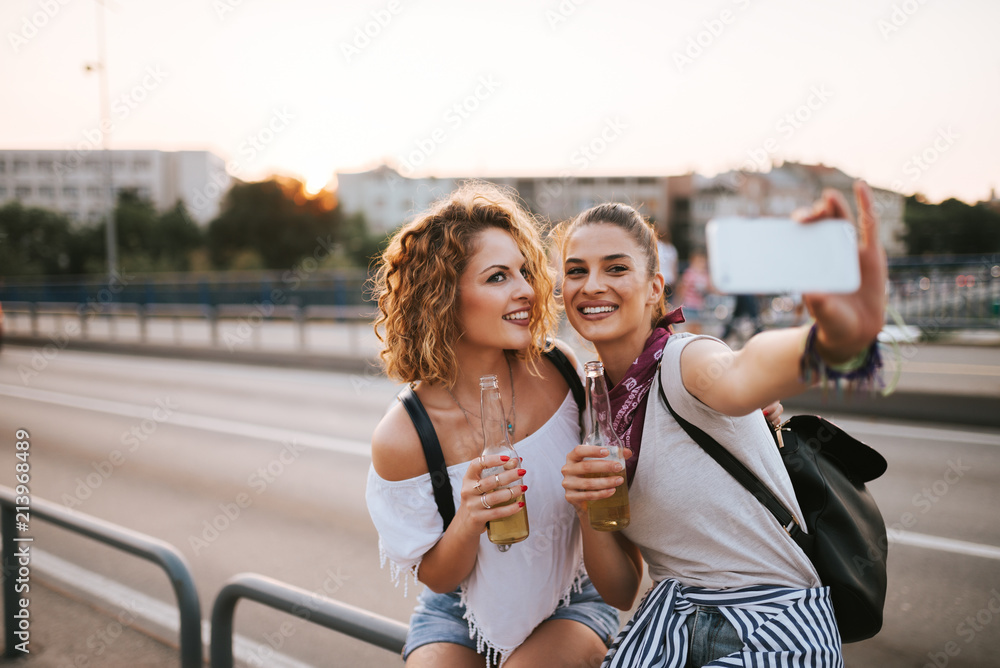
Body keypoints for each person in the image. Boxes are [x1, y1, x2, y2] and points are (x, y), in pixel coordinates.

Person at [554, 182, 887, 666]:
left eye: (616, 268)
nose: (592, 285)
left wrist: (829, 342)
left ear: (654, 290)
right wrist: (586, 505)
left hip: (771, 622)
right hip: (669, 624)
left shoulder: (686, 360)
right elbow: (622, 589)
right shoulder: (596, 409)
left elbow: (744, 371)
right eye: (576, 271)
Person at [365, 182, 620, 668]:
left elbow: (646, 399)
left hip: (575, 593)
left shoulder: (558, 368)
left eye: (524, 271)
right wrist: (469, 517)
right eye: (499, 277)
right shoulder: (403, 436)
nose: (527, 289)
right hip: (459, 612)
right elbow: (440, 579)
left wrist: (730, 408)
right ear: (441, 296)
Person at [674, 249, 711, 334]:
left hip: (699, 306)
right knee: (689, 328)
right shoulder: (689, 273)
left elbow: (709, 288)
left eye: (703, 262)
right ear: (693, 262)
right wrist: (678, 303)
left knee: (698, 329)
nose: (702, 264)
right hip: (689, 305)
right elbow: (682, 289)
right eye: (699, 262)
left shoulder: (705, 275)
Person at [656, 226, 678, 299]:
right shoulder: (672, 249)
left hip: (659, 279)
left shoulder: (656, 246)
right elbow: (674, 268)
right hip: (669, 280)